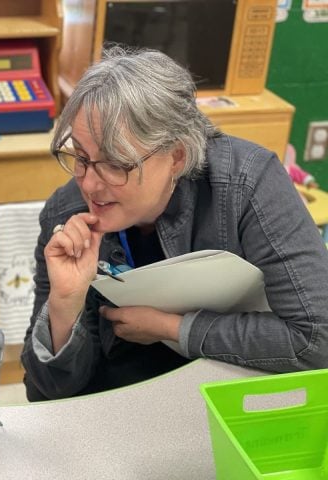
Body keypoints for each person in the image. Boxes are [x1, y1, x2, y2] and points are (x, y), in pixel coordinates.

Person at [21, 45, 328, 402]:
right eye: (81, 158)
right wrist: (65, 302)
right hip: (123, 405)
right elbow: (45, 392)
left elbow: (316, 337)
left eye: (116, 164)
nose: (90, 184)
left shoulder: (246, 185)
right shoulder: (67, 212)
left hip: (233, 393)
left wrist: (172, 328)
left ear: (176, 157)